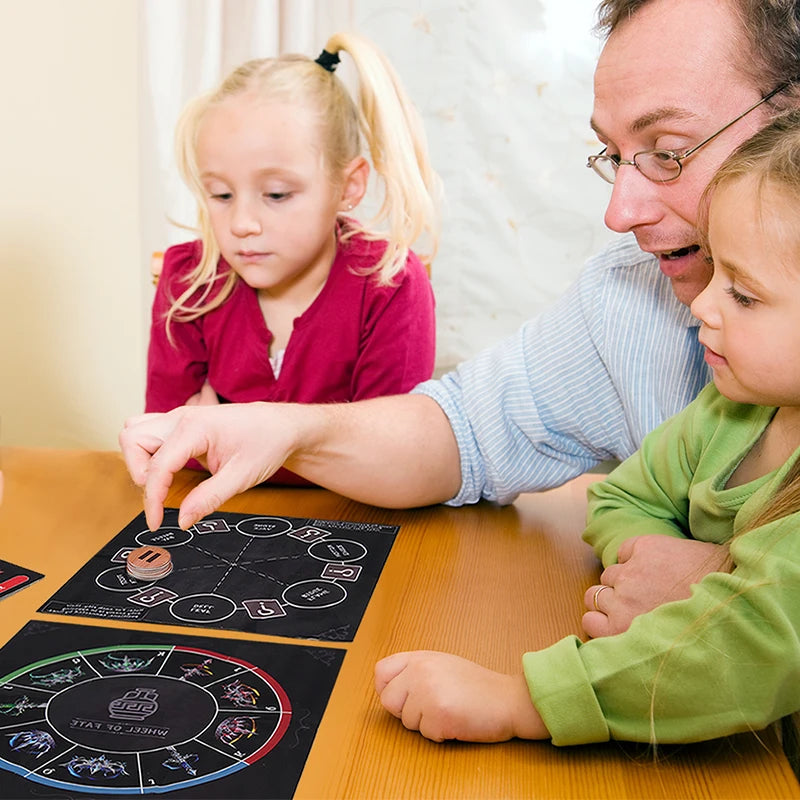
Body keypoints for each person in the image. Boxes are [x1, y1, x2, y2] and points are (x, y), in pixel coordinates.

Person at [120, 0, 800, 632]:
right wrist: (287, 426)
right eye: (615, 157)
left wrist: (737, 590)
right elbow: (461, 432)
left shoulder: (387, 278)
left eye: (668, 150)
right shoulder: (627, 297)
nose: (618, 214)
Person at [375, 110, 800, 744]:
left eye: (743, 295)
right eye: (715, 272)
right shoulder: (732, 410)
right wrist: (662, 564)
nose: (704, 304)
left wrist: (523, 702)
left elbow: (736, 657)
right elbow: (624, 494)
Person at [145, 33, 439, 481]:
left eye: (277, 194)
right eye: (221, 194)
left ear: (349, 186)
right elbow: (166, 444)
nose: (242, 222)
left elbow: (394, 462)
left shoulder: (390, 284)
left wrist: (223, 438)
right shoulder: (189, 279)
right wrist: (336, 448)